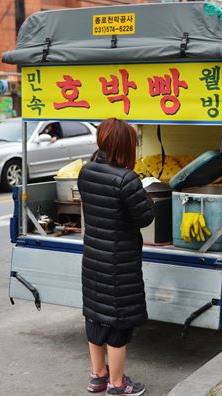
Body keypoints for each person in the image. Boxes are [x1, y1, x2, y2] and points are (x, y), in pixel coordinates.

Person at [77, 118, 154, 395]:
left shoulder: (86, 172)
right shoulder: (126, 179)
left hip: (93, 258)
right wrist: (146, 196)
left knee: (96, 317)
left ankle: (98, 375)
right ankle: (118, 384)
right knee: (118, 324)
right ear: (124, 145)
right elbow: (145, 217)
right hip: (119, 263)